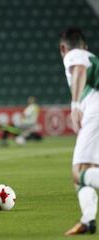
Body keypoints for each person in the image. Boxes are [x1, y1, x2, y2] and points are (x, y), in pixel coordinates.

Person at [59, 28, 99, 236]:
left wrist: (75, 105)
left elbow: (79, 70)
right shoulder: (91, 55)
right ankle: (88, 220)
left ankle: (87, 219)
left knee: (79, 172)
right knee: (86, 170)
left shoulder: (75, 54)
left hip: (96, 110)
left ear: (62, 48)